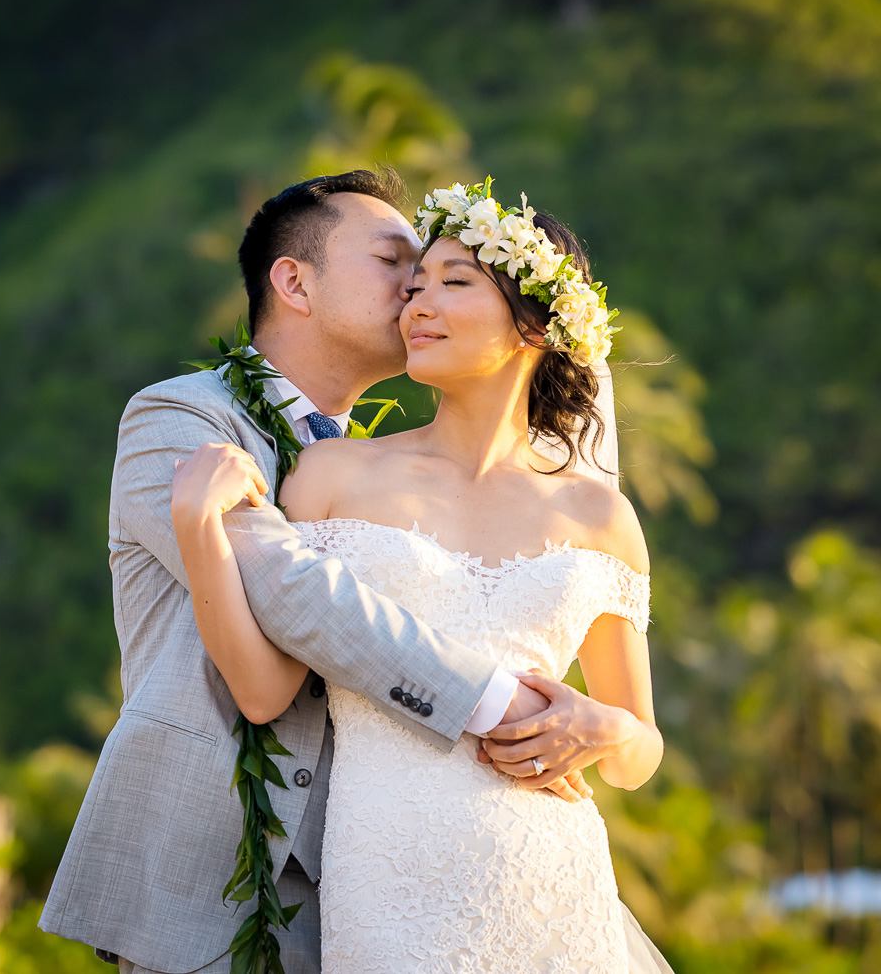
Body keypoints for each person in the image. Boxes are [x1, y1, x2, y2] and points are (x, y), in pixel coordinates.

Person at [39, 170, 614, 974]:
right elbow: (292, 589)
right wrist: (500, 703)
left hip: (373, 890)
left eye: (440, 276)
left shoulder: (382, 467)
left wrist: (612, 725)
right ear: (293, 282)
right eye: (395, 263)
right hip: (207, 878)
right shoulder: (181, 418)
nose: (415, 290)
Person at [171, 179, 675, 971]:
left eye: (453, 283)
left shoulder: (598, 517)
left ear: (533, 325)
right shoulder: (332, 474)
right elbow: (264, 692)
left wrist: (605, 729)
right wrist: (198, 531)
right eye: (411, 288)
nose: (415, 306)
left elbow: (637, 748)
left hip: (552, 881)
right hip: (388, 886)